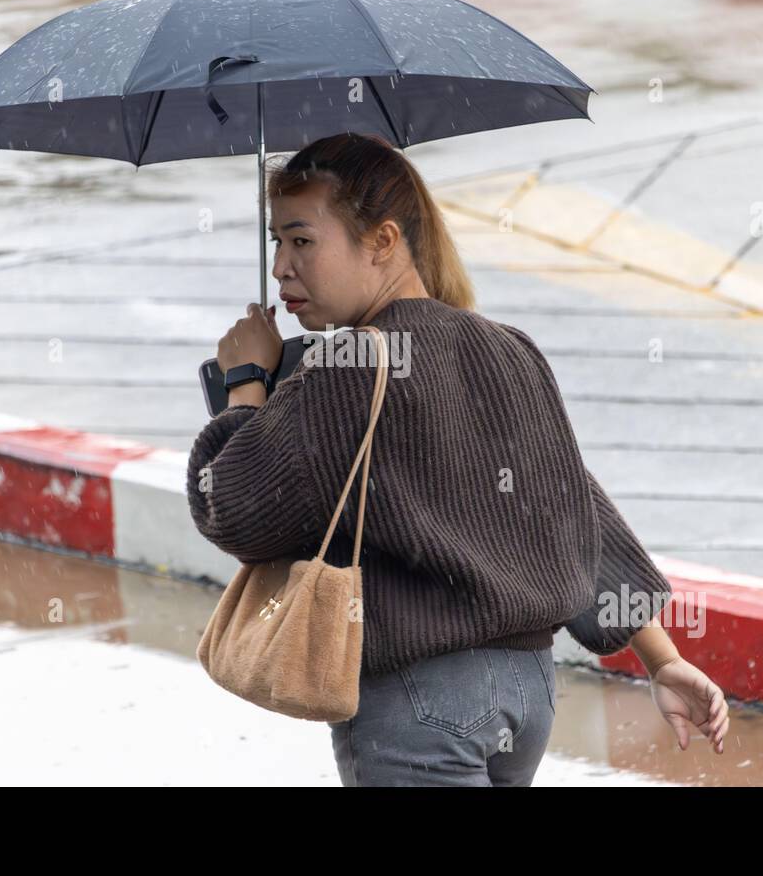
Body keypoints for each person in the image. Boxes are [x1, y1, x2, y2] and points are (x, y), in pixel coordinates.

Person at [187, 132, 729, 786]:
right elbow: (570, 505)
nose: (281, 268)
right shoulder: (509, 348)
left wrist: (244, 382)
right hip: (526, 695)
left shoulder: (350, 367)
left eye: (303, 240)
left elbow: (234, 510)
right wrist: (662, 659)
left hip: (419, 700)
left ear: (383, 241)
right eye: (277, 241)